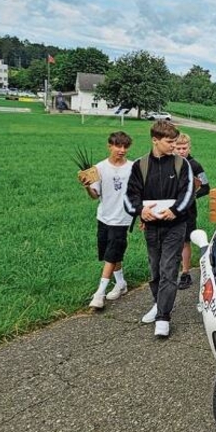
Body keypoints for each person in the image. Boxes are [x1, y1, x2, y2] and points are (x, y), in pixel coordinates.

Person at [125, 120, 194, 338]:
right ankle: (158, 303)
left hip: (175, 226)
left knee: (168, 269)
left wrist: (175, 210)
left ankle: (164, 316)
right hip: (152, 228)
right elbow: (130, 195)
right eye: (169, 142)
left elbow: (188, 193)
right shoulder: (140, 165)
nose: (174, 146)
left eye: (175, 142)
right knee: (154, 270)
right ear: (155, 140)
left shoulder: (182, 165)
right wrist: (140, 211)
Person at [82, 131, 134, 309]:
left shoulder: (133, 168)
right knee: (110, 252)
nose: (122, 150)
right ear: (109, 146)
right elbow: (95, 195)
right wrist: (87, 187)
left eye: (125, 146)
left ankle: (99, 293)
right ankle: (121, 283)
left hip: (122, 218)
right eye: (118, 146)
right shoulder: (99, 168)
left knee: (111, 254)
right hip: (104, 216)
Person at [174, 133, 210, 290]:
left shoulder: (195, 165)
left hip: (188, 211)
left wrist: (192, 195)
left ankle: (185, 272)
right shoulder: (168, 163)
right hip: (170, 209)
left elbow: (206, 187)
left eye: (184, 148)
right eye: (178, 148)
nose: (181, 151)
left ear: (189, 147)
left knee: (184, 241)